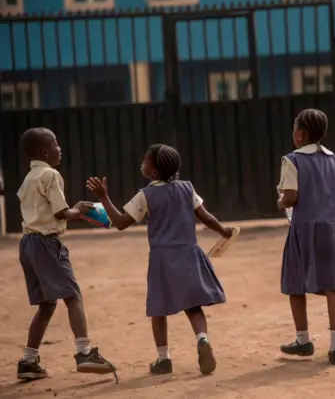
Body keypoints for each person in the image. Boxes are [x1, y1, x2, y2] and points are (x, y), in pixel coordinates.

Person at [86, 143, 232, 375]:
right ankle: (202, 339)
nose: (141, 163)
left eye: (145, 161)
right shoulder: (187, 188)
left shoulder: (146, 195)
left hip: (162, 258)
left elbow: (121, 222)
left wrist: (104, 197)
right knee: (193, 306)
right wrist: (224, 232)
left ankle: (163, 358)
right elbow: (206, 217)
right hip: (189, 253)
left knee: (158, 309)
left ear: (153, 172)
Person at [16, 127, 116, 381]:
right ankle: (84, 353)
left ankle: (28, 361)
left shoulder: (28, 179)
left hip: (27, 244)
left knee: (47, 305)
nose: (60, 148)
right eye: (57, 144)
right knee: (73, 296)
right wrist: (80, 209)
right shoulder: (51, 175)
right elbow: (61, 213)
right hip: (47, 243)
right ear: (46, 151)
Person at [278, 108, 335, 365]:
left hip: (303, 229)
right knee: (332, 285)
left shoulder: (291, 160)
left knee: (295, 285)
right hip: (332, 229)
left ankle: (303, 340)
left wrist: (281, 202)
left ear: (300, 134)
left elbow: (291, 197)